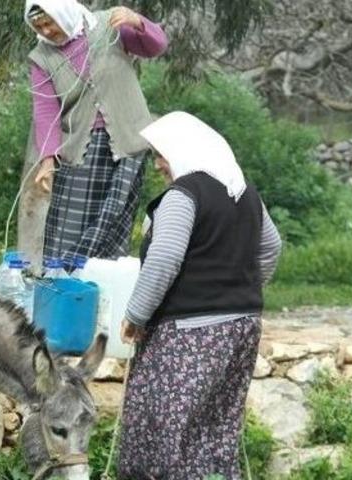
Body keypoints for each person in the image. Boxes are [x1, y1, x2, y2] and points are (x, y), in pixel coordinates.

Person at [118, 111, 283, 480]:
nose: (159, 164)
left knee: (164, 431)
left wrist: (136, 314)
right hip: (241, 327)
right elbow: (271, 248)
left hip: (190, 333)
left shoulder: (184, 194)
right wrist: (239, 292)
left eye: (162, 154)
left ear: (184, 150)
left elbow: (164, 258)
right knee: (215, 430)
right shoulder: (244, 193)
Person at [23, 0, 168, 267]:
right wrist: (47, 159)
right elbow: (46, 112)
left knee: (113, 220)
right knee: (69, 226)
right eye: (39, 26)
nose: (45, 31)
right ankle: (61, 280)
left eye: (49, 23)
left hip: (127, 142)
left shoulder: (108, 24)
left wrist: (137, 22)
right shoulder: (41, 57)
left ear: (63, 13)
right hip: (80, 149)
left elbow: (156, 46)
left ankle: (100, 286)